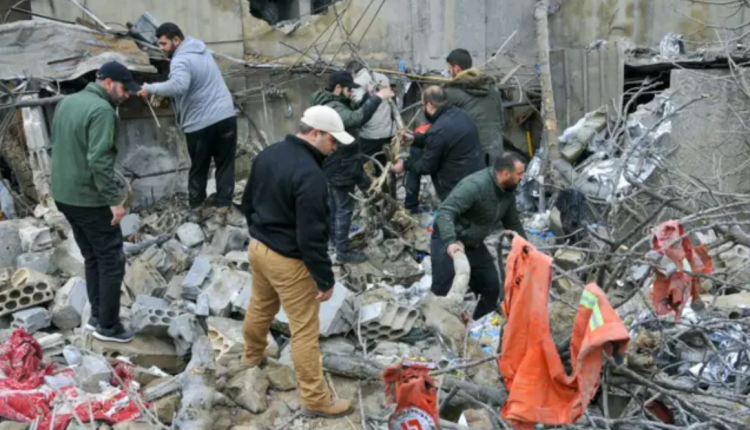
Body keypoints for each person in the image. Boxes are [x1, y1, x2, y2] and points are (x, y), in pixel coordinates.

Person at [240, 106, 354, 418]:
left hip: (258, 248)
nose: (334, 148)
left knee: (260, 306)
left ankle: (251, 358)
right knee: (304, 330)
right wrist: (325, 278)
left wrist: (260, 232)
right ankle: (317, 400)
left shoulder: (268, 154)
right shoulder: (310, 175)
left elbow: (247, 203)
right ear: (316, 134)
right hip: (288, 259)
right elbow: (311, 236)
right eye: (332, 141)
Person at [50, 62, 139, 343]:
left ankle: (97, 318)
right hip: (89, 198)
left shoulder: (67, 103)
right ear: (108, 82)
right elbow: (99, 161)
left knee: (92, 255)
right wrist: (115, 201)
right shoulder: (102, 111)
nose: (126, 95)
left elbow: (56, 147)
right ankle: (109, 327)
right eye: (124, 89)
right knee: (112, 259)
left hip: (64, 196)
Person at [137, 22, 238, 223]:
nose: (161, 48)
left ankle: (196, 209)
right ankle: (223, 210)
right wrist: (164, 90)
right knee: (225, 164)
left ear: (176, 40)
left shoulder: (180, 59)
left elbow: (179, 85)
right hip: (226, 116)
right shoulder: (201, 50)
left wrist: (151, 88)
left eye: (164, 44)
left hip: (201, 123)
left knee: (199, 167)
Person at [309, 70, 394, 264]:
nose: (351, 94)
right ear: (338, 88)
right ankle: (342, 251)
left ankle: (334, 241)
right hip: (341, 164)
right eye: (349, 90)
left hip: (343, 161)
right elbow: (355, 118)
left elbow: (353, 109)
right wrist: (378, 98)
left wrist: (369, 97)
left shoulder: (333, 101)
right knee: (344, 209)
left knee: (337, 205)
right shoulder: (331, 106)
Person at [433, 153, 528, 319]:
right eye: (520, 173)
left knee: (491, 288)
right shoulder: (475, 186)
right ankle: (436, 329)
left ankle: (475, 324)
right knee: (442, 291)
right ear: (506, 174)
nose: (523, 177)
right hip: (448, 238)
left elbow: (513, 223)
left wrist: (526, 249)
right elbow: (445, 212)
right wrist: (451, 241)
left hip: (473, 242)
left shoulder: (507, 192)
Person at [392, 86, 483, 204]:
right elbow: (442, 140)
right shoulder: (460, 114)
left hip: (457, 186)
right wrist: (415, 139)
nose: (423, 108)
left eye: (423, 105)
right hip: (474, 176)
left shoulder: (438, 129)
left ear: (430, 105)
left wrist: (404, 165)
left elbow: (427, 166)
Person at [444, 48, 506, 167]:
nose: (449, 72)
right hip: (496, 151)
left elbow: (444, 129)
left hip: (471, 156)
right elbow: (502, 120)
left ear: (456, 68)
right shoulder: (492, 87)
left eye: (450, 69)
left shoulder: (452, 92)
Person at [346, 60, 397, 174]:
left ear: (352, 73)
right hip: (389, 131)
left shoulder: (357, 82)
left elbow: (357, 104)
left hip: (370, 134)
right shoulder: (383, 77)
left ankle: (369, 185)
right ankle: (387, 184)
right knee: (386, 166)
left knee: (364, 166)